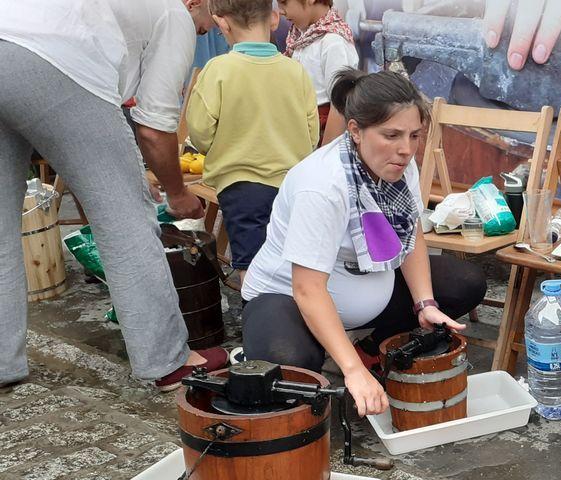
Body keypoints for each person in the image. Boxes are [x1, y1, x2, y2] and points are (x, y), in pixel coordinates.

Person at [0, 0, 229, 392]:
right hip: (54, 55)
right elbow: (154, 131)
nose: (209, 31)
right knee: (126, 220)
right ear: (195, 3)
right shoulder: (175, 14)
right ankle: (167, 361)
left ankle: (3, 362)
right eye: (208, 26)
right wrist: (176, 192)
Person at [240, 69, 486, 416]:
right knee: (288, 363)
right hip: (287, 297)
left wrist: (423, 303)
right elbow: (308, 289)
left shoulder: (398, 164)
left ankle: (368, 348)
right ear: (355, 131)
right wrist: (354, 375)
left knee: (465, 283)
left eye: (415, 136)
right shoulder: (323, 186)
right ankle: (337, 357)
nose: (406, 149)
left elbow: (410, 230)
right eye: (392, 135)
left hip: (368, 285)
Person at [187, 0, 320, 282]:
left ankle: (260, 322)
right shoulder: (295, 70)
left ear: (222, 23)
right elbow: (312, 134)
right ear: (273, 19)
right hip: (292, 186)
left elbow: (199, 133)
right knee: (292, 265)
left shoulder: (218, 69)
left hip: (240, 188)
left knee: (252, 268)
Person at [278, 0, 358, 145]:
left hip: (322, 130)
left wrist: (323, 156)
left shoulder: (333, 42)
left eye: (284, 2)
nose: (280, 11)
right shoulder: (301, 37)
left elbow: (339, 105)